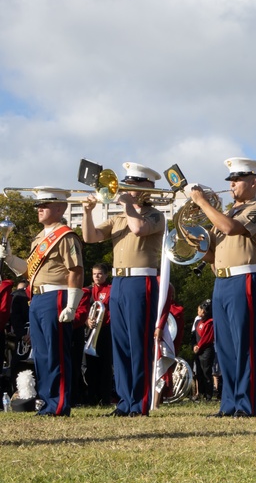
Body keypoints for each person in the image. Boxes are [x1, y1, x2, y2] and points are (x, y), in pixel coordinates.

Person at [188, 157, 256, 417]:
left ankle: (246, 404)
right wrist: (192, 241)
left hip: (243, 279)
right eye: (231, 180)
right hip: (221, 281)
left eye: (237, 179)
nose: (232, 184)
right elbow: (211, 254)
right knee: (225, 348)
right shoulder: (227, 213)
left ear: (253, 182)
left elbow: (230, 228)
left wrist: (201, 202)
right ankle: (229, 403)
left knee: (243, 344)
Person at [81, 162, 164, 416]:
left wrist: (128, 204)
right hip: (118, 282)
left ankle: (140, 403)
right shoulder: (118, 218)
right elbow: (90, 237)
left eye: (134, 184)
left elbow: (139, 229)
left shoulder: (154, 215)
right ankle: (125, 401)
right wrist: (87, 212)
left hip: (141, 281)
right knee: (120, 346)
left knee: (139, 344)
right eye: (127, 183)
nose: (127, 188)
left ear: (147, 188)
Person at [0, 187, 84, 416]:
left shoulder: (65, 236)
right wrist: (8, 258)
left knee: (56, 352)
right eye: (38, 205)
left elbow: (76, 270)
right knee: (42, 353)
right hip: (36, 297)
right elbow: (28, 271)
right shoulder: (39, 238)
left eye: (45, 205)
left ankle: (58, 404)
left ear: (60, 208)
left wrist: (72, 304)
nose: (39, 209)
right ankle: (48, 401)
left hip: (56, 295)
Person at [82, 263, 114, 405]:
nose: (97, 276)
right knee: (91, 367)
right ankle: (91, 397)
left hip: (106, 330)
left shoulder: (111, 290)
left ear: (106, 275)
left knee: (106, 366)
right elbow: (82, 309)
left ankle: (105, 398)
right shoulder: (87, 290)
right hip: (91, 331)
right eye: (94, 274)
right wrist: (87, 320)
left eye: (100, 274)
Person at [192, 300, 216, 400]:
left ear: (204, 311)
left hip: (206, 350)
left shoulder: (210, 322)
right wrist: (194, 345)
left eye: (199, 309)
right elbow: (194, 335)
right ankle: (200, 393)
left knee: (206, 372)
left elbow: (207, 337)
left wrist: (199, 346)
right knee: (199, 372)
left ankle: (209, 394)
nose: (198, 311)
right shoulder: (198, 321)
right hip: (198, 350)